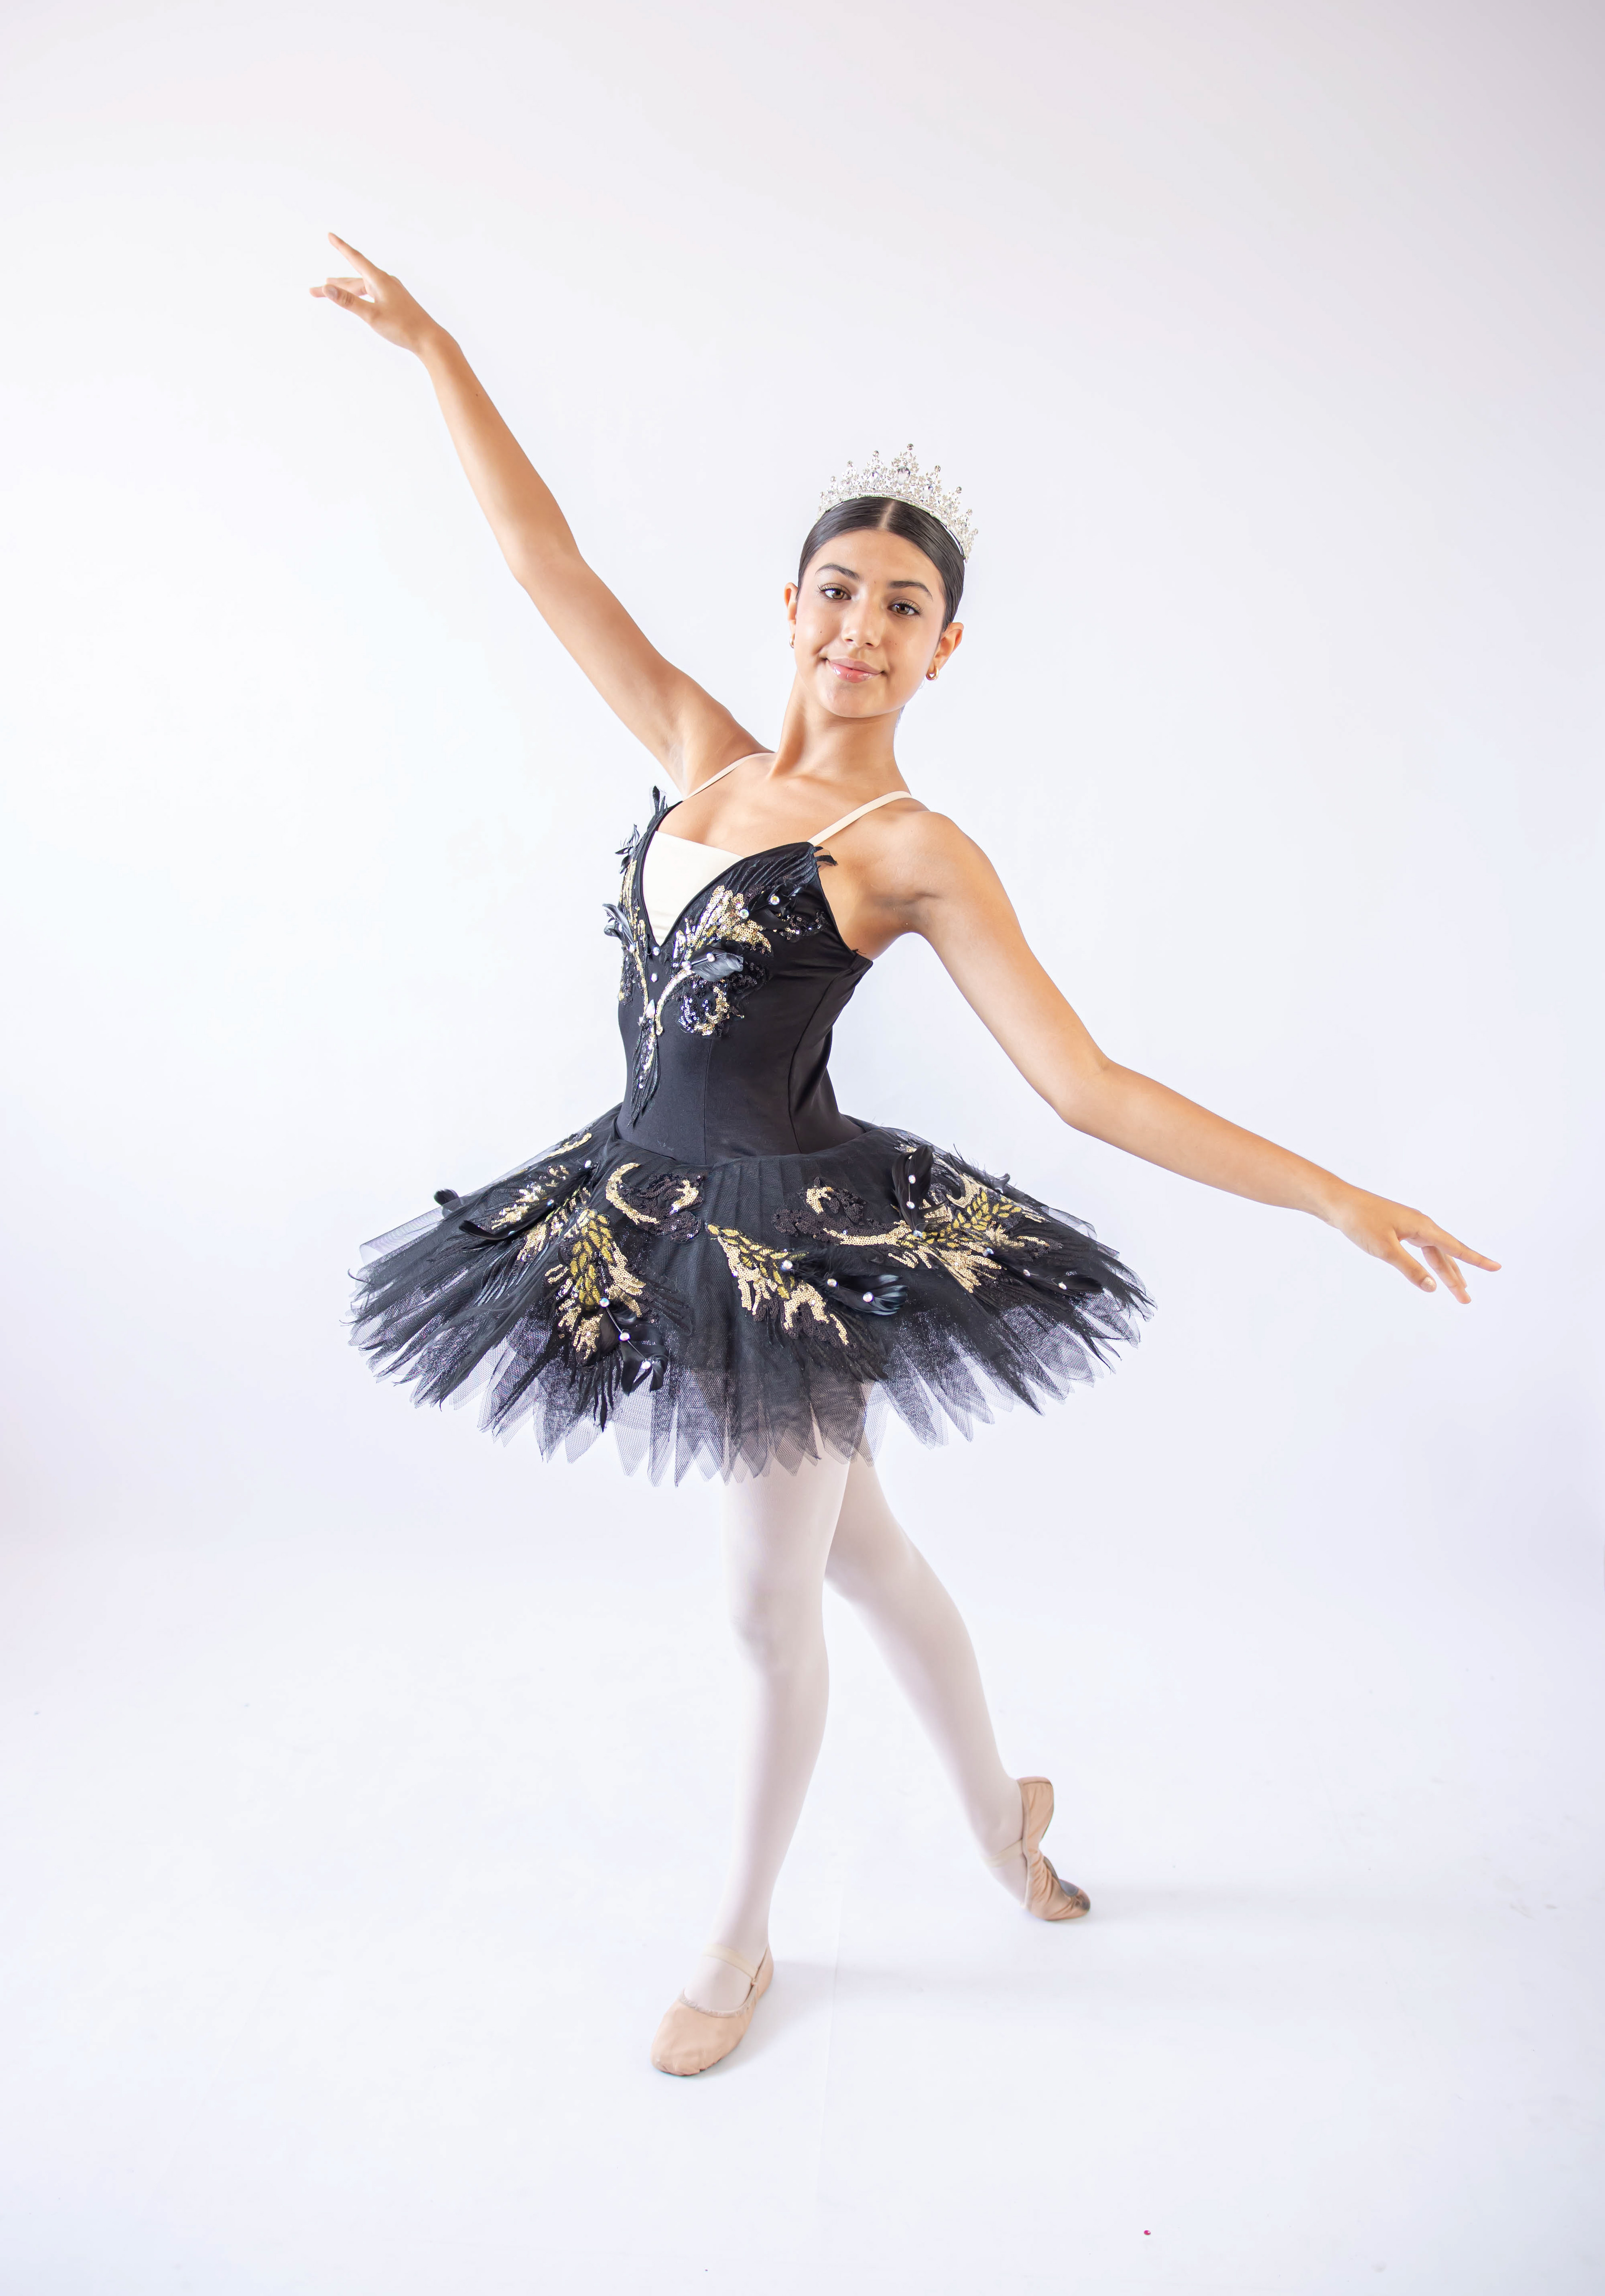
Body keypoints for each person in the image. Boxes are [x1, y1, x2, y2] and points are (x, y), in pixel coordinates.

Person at [313, 234, 1498, 2077]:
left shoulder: (908, 848)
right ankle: (1007, 1814)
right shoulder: (701, 753)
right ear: (791, 604)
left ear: (947, 647)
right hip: (640, 1196)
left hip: (786, 1241)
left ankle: (738, 1944)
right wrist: (437, 347)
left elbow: (1087, 1083)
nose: (863, 627)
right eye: (841, 591)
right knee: (861, 1555)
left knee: (764, 1596)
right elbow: (547, 566)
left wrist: (1333, 1191)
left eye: (906, 606)